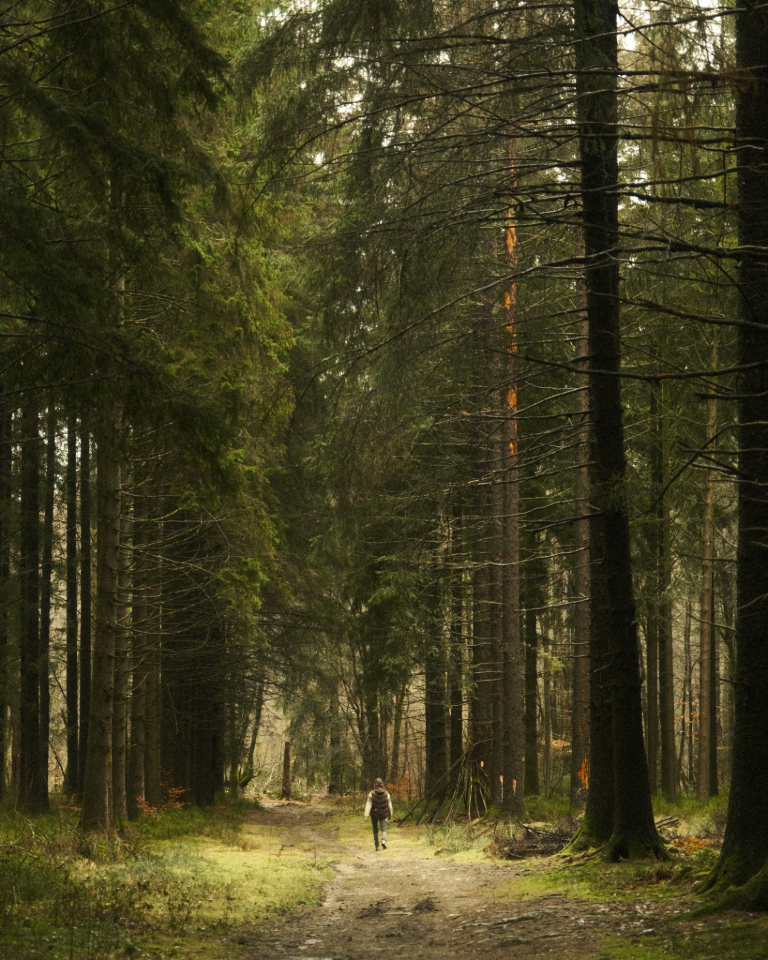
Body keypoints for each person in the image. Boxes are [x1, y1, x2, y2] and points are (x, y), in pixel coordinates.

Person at [364, 777, 393, 851]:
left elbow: (368, 804)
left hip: (374, 813)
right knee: (384, 829)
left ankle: (377, 845)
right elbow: (389, 805)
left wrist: (366, 815)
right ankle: (383, 841)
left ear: (375, 784)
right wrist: (390, 814)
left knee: (375, 829)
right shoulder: (386, 793)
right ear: (382, 784)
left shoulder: (371, 793)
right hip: (383, 813)